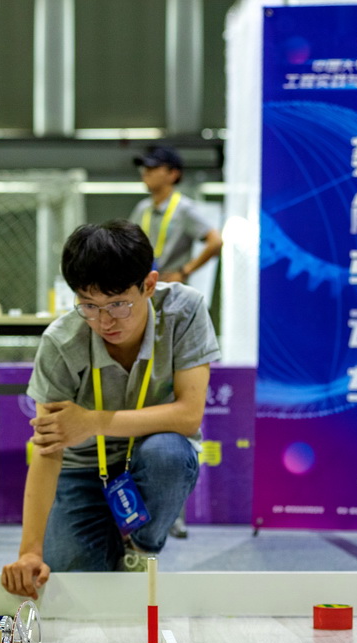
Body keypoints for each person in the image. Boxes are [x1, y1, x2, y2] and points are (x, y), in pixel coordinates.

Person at [1, 220, 219, 599]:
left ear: (148, 285)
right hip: (80, 469)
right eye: (89, 305)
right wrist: (29, 552)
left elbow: (188, 416)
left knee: (170, 454)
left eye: (118, 304)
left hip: (150, 453)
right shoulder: (61, 342)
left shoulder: (185, 310)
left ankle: (140, 550)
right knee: (77, 588)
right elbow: (48, 449)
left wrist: (92, 422)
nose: (104, 321)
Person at [129, 145, 222, 538]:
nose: (146, 174)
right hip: (139, 304)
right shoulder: (141, 209)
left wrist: (184, 270)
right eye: (144, 168)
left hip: (170, 306)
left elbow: (215, 240)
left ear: (173, 173)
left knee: (169, 399)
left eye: (154, 168)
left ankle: (172, 513)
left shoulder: (185, 209)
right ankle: (135, 509)